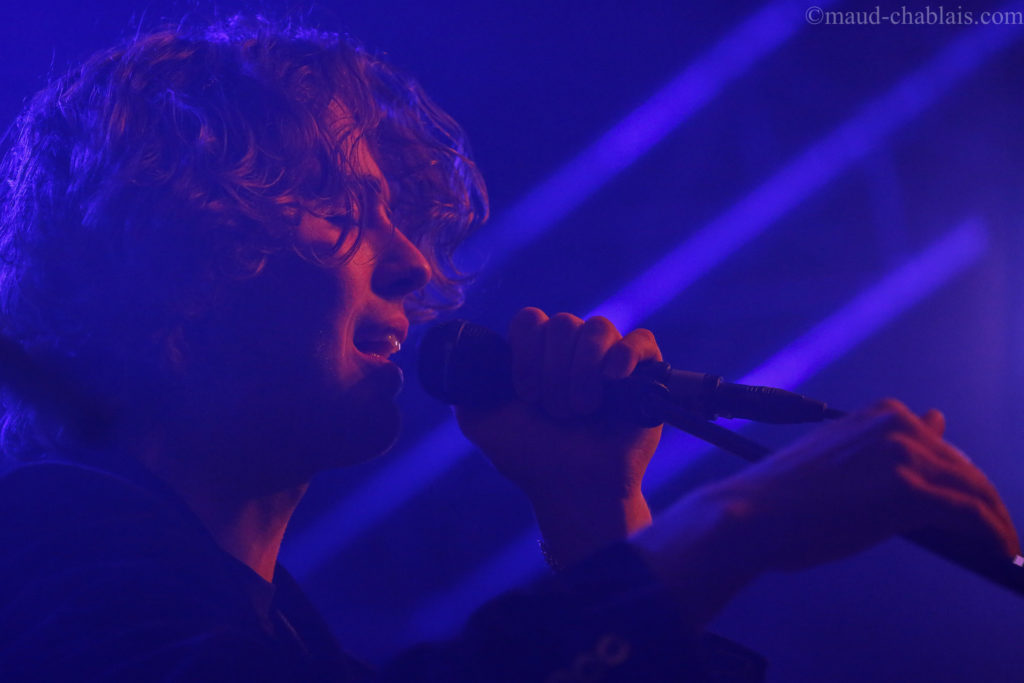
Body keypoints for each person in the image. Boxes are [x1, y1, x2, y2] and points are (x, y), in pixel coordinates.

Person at [0, 15, 1017, 682]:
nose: (413, 262)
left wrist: (597, 520)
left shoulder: (270, 630)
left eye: (398, 220)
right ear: (167, 254)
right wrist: (728, 523)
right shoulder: (37, 560)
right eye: (335, 207)